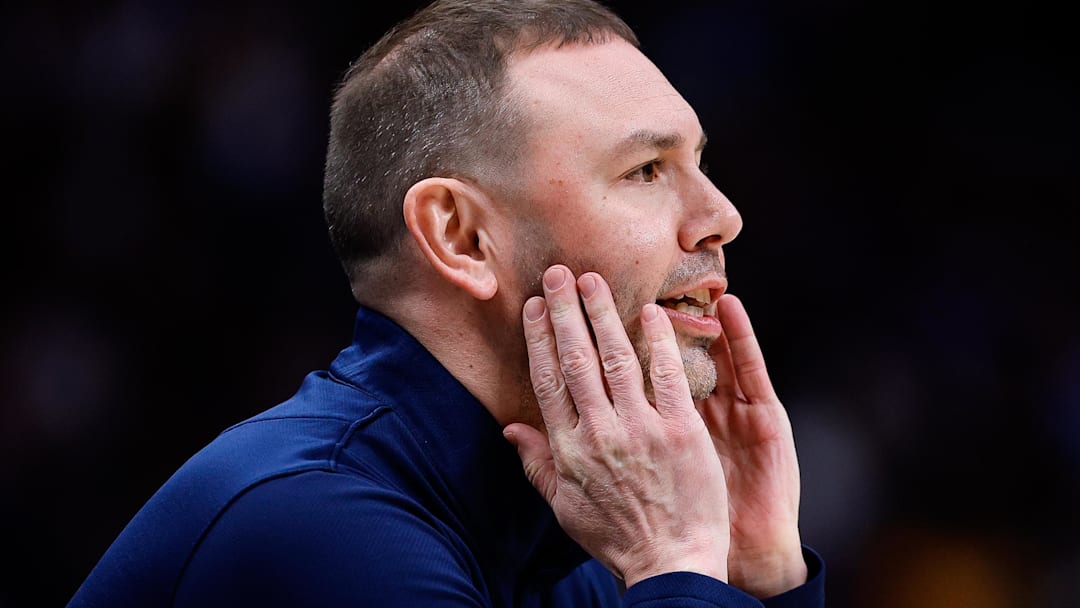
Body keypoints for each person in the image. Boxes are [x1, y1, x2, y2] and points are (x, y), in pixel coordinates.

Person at [68, 0, 825, 606]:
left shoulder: (569, 555)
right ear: (460, 238)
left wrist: (753, 572)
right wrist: (678, 568)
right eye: (646, 169)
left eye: (699, 162)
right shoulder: (317, 527)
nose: (722, 214)